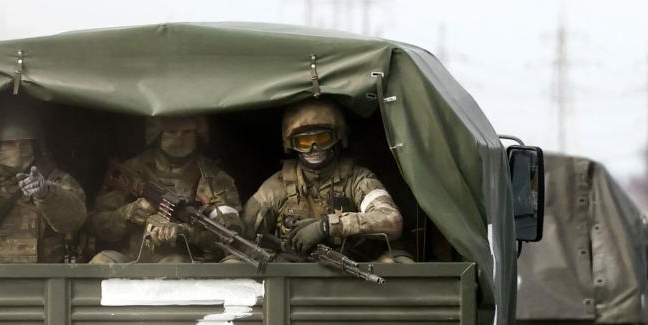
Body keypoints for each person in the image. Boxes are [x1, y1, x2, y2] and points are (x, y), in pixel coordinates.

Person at [243, 99, 409, 262]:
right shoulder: (276, 188)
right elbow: (240, 238)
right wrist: (275, 260)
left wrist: (328, 226)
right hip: (294, 278)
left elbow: (391, 220)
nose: (313, 148)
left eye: (323, 139)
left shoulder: (359, 180)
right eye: (304, 142)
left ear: (338, 138)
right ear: (291, 145)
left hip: (358, 274)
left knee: (400, 262)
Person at [89, 116, 242, 264]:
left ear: (197, 135)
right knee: (101, 262)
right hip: (133, 259)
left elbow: (228, 236)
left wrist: (188, 233)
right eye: (171, 132)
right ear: (158, 134)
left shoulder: (213, 178)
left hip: (184, 263)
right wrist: (127, 214)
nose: (179, 138)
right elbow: (96, 224)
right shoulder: (133, 170)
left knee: (175, 263)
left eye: (187, 132)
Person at [0, 100, 88, 263]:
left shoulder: (57, 180)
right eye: (10, 143)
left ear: (35, 146)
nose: (18, 150)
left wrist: (46, 193)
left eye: (25, 144)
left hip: (44, 281)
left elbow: (75, 219)